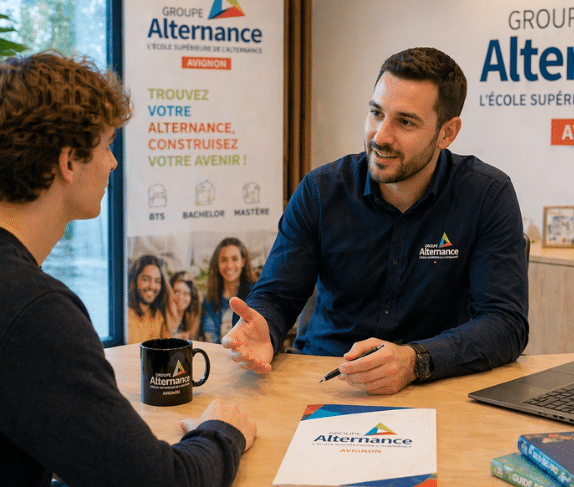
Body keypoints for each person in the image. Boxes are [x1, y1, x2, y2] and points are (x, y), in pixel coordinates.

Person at [0, 51, 262, 487]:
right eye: (107, 146)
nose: (114, 162)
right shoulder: (29, 308)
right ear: (68, 161)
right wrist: (222, 432)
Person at [223, 46, 529, 395]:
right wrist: (263, 326)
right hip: (327, 379)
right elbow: (277, 297)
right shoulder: (321, 191)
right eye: (376, 113)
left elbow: (505, 323)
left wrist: (416, 360)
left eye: (405, 122)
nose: (381, 136)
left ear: (447, 133)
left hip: (435, 386)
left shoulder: (487, 195)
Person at [200, 238, 257, 343]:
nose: (229, 265)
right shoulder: (209, 301)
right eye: (224, 260)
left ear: (243, 262)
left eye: (234, 259)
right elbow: (210, 337)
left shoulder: (255, 294)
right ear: (217, 264)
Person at [127, 253, 173, 344]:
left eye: (157, 281)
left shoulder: (158, 316)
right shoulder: (125, 317)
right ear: (134, 280)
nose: (152, 286)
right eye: (146, 279)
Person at [169, 271, 202, 340]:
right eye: (176, 292)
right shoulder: (161, 317)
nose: (180, 297)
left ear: (192, 297)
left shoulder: (193, 318)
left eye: (186, 293)